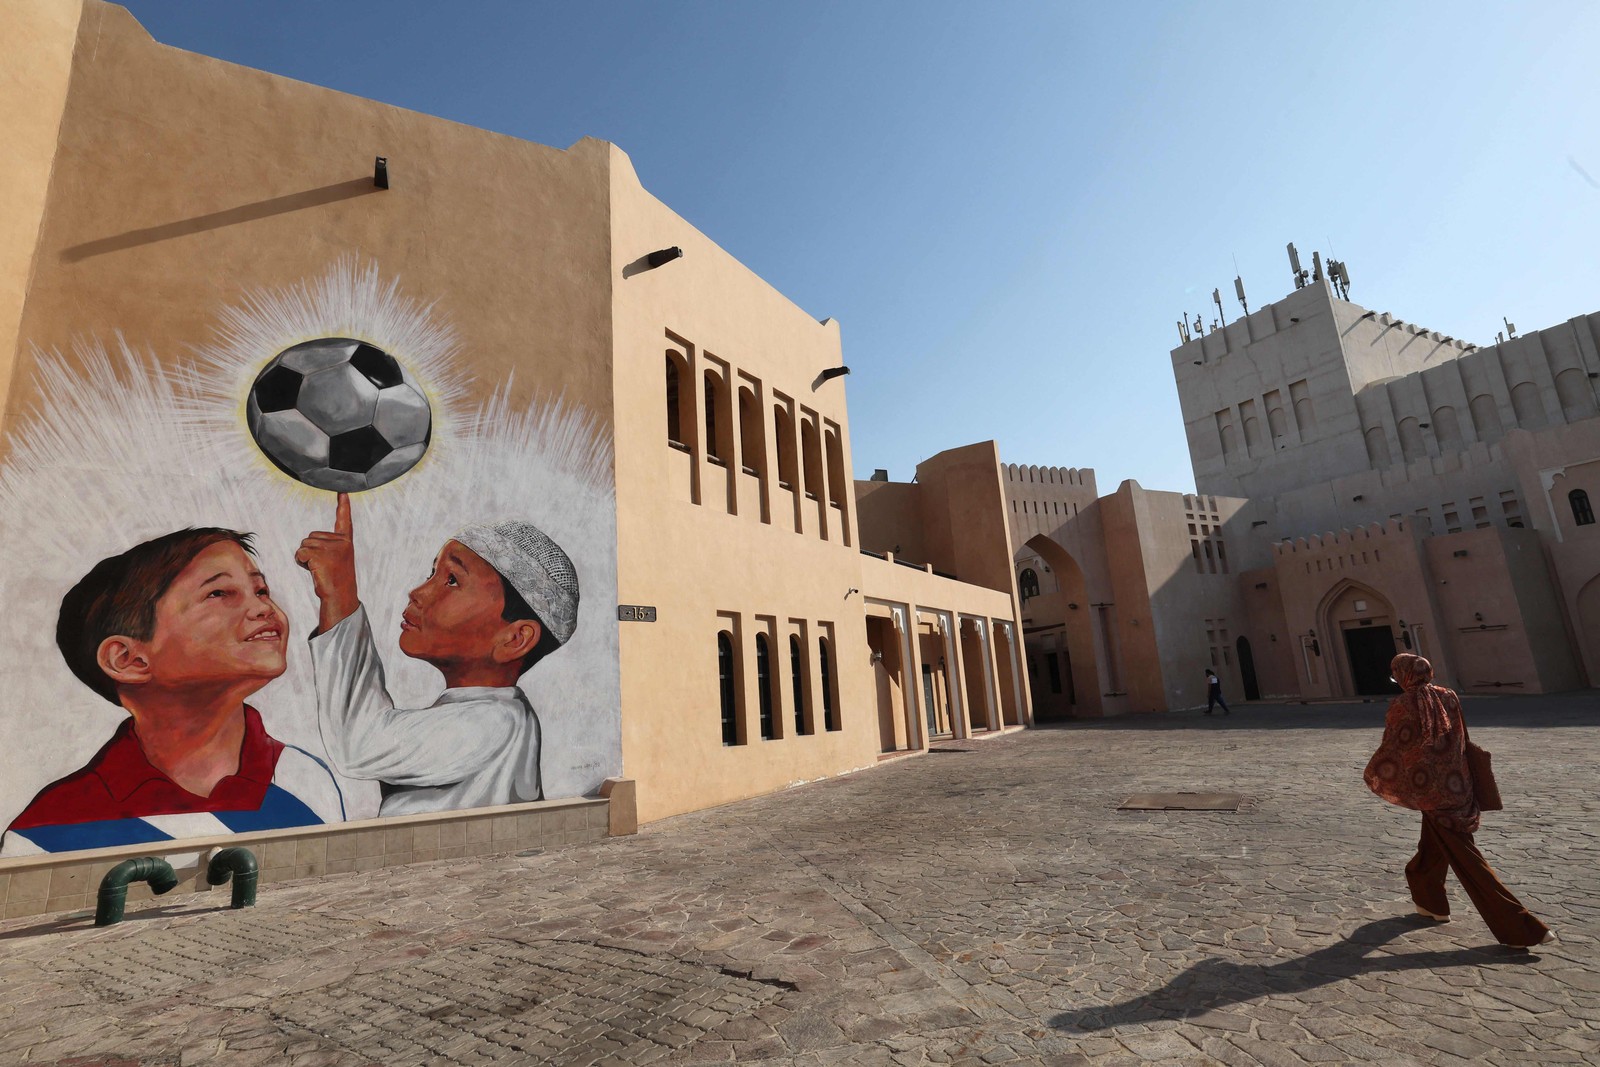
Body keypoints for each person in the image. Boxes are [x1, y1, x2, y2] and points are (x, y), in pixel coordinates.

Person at [2, 529, 344, 856]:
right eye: (218, 593)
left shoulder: (304, 779)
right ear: (129, 660)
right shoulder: (45, 831)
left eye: (260, 590)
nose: (263, 608)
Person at [297, 494, 578, 816]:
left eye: (452, 580)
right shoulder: (490, 715)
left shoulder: (493, 723)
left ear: (515, 638)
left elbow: (360, 742)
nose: (418, 592)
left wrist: (339, 592)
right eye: (432, 573)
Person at [1363, 653, 1553, 948]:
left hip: (1431, 792)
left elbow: (1394, 747)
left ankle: (1522, 927)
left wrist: (1378, 774)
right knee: (1430, 852)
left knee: (1469, 862)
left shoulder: (1403, 704)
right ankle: (1431, 902)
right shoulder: (1448, 696)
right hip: (1457, 784)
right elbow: (1461, 736)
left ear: (1403, 675)